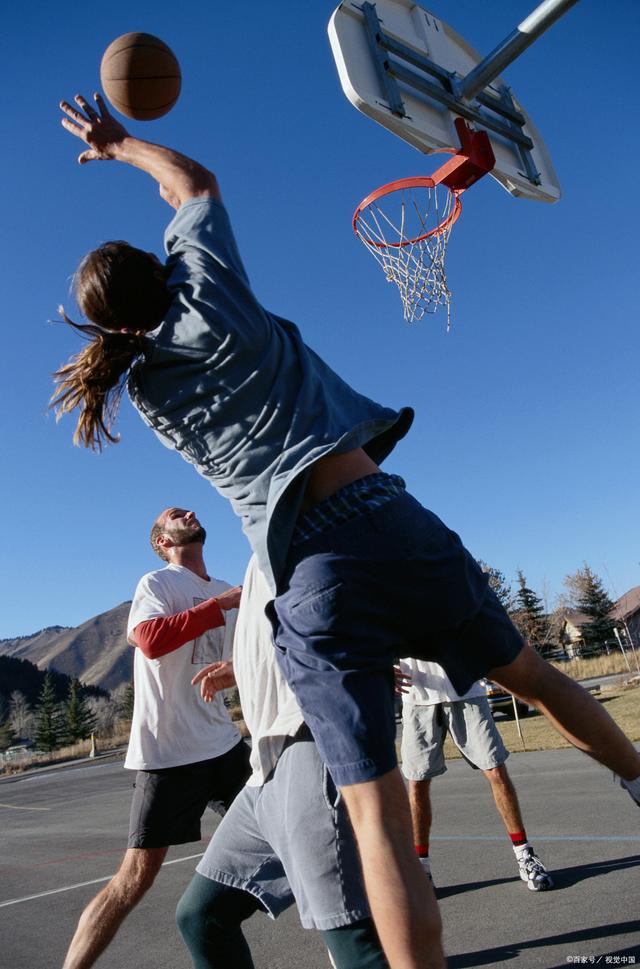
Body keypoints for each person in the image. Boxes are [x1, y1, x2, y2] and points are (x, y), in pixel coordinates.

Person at [53, 93, 640, 969]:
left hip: (313, 571)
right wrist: (120, 144)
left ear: (110, 330)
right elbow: (194, 186)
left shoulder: (144, 392)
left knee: (373, 815)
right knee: (535, 674)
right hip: (389, 516)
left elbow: (152, 300)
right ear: (161, 268)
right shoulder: (212, 295)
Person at [177, 555, 389, 969]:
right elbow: (281, 635)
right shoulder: (260, 547)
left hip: (308, 739)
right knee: (201, 916)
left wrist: (370, 662)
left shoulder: (306, 522)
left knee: (351, 942)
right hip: (265, 764)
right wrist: (241, 669)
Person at [62, 507, 251, 969]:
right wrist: (220, 607)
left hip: (224, 746)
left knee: (298, 838)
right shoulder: (159, 584)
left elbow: (256, 654)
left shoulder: (227, 587)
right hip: (169, 754)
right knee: (134, 879)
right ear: (163, 541)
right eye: (173, 516)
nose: (187, 512)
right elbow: (147, 639)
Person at [399, 658, 552, 891]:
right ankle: (422, 871)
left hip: (466, 692)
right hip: (417, 696)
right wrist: (379, 669)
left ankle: (525, 856)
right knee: (417, 784)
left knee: (496, 771)